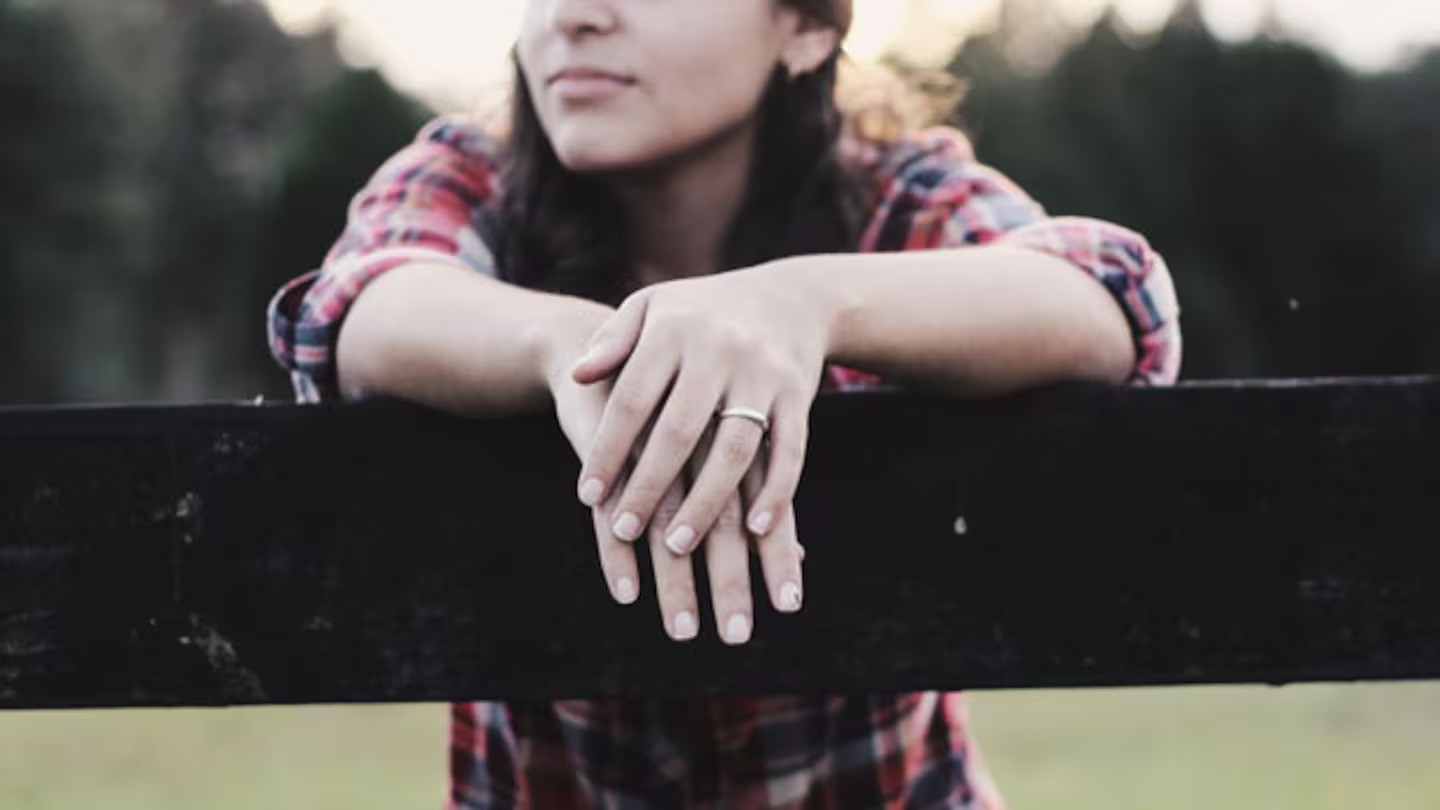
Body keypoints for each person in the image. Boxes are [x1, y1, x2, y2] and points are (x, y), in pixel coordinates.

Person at [266, 0, 1182, 806]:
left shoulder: (889, 199)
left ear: (805, 25)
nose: (573, 13)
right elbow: (356, 306)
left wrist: (805, 303)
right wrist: (581, 345)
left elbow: (1108, 297)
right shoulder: (474, 178)